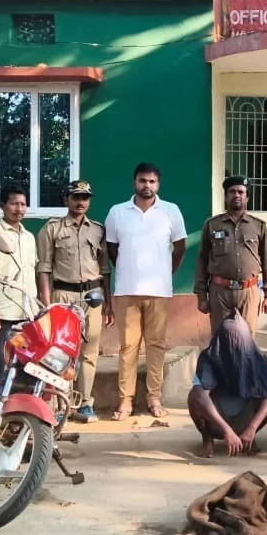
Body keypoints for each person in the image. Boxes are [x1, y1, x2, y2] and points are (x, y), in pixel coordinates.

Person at [106, 162, 187, 420]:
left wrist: (165, 273)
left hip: (159, 292)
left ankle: (154, 398)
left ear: (158, 185)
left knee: (156, 346)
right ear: (134, 183)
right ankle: (125, 400)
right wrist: (128, 270)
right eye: (142, 181)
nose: (147, 186)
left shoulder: (170, 211)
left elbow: (180, 247)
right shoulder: (118, 213)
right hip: (127, 290)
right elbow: (112, 249)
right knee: (128, 347)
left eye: (152, 182)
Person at [36, 180, 113, 423]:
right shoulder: (52, 229)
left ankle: (86, 403)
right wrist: (47, 303)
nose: (81, 202)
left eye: (85, 198)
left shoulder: (98, 230)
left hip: (93, 296)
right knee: (61, 352)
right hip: (63, 296)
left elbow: (105, 269)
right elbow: (44, 268)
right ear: (65, 199)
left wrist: (109, 303)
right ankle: (61, 405)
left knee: (89, 353)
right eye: (75, 197)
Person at [187, 310, 267, 458]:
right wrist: (227, 431)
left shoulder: (258, 358)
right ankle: (207, 438)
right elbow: (200, 395)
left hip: (245, 415)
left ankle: (249, 436)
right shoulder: (208, 357)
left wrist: (252, 427)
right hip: (217, 420)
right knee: (194, 397)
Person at [0, 187, 39, 403]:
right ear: (2, 206)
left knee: (26, 368)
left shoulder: (30, 238)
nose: (18, 208)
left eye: (22, 204)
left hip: (27, 314)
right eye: (13, 203)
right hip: (2, 313)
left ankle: (17, 414)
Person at [194, 176, 267, 334]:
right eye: (232, 192)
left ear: (247, 197)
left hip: (249, 291)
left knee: (247, 341)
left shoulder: (258, 226)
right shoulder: (212, 224)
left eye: (241, 192)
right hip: (219, 292)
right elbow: (202, 261)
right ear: (226, 196)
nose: (237, 195)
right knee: (221, 339)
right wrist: (201, 296)